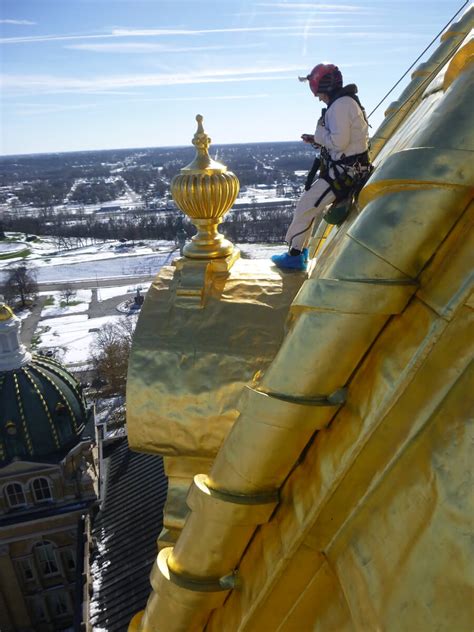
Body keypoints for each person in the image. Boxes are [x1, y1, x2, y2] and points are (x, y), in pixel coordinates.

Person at [271, 63, 370, 271]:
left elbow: (339, 142)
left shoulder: (340, 105)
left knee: (306, 205)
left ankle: (295, 256)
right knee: (309, 206)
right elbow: (344, 141)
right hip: (351, 168)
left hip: (344, 172)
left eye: (319, 93)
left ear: (325, 88)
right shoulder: (346, 102)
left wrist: (318, 135)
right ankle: (299, 252)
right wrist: (317, 139)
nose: (319, 98)